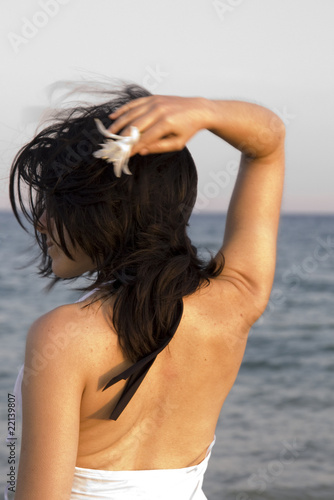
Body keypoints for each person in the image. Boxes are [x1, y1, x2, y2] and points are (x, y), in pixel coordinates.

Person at [9, 83, 285, 499]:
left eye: (56, 202)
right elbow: (268, 143)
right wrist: (205, 111)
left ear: (108, 210)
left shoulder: (64, 337)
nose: (42, 222)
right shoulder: (237, 300)